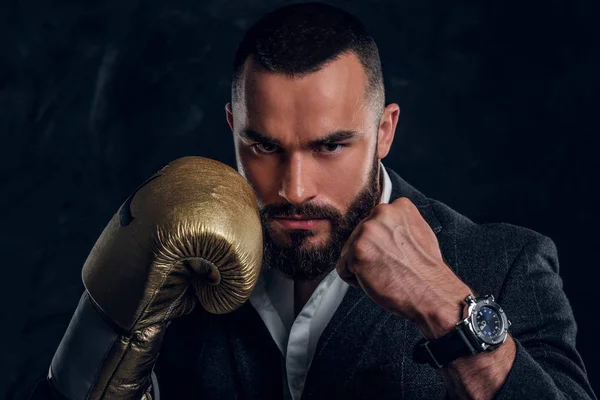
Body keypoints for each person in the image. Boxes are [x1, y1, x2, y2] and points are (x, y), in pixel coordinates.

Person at [30, 2, 596, 399]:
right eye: (263, 146)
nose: (294, 187)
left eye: (330, 146)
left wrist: (449, 309)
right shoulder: (179, 258)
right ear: (233, 127)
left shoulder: (505, 262)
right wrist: (105, 319)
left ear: (384, 131)